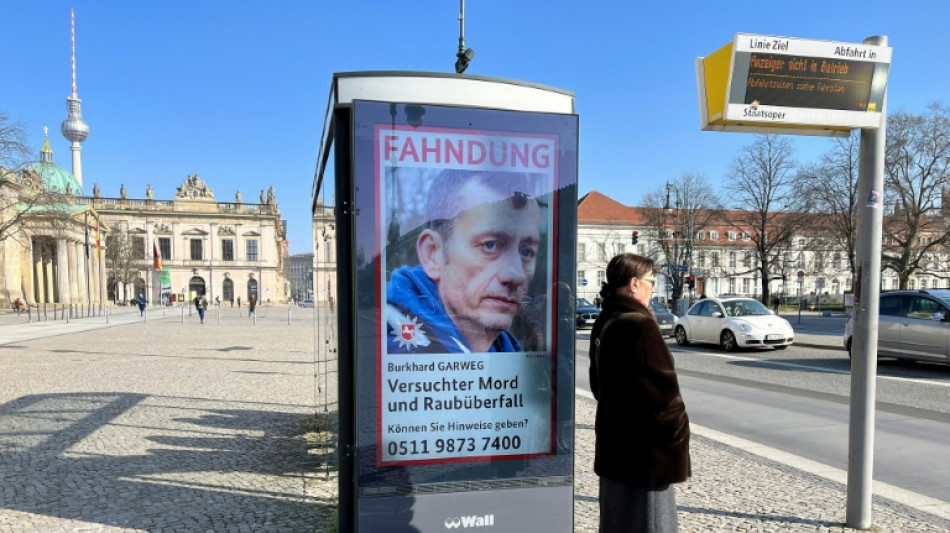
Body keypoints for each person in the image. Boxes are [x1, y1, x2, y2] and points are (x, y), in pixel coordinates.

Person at [385, 170, 541, 353]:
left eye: (526, 252)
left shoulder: (509, 351)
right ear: (433, 254)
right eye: (490, 245)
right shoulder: (382, 344)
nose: (516, 274)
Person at [589, 253, 691, 533]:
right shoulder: (639, 324)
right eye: (650, 281)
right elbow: (666, 400)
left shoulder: (606, 320)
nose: (653, 287)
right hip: (647, 458)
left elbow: (598, 386)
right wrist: (677, 439)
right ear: (634, 284)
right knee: (652, 524)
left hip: (615, 452)